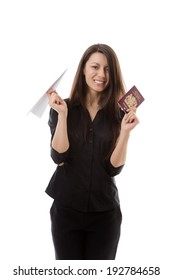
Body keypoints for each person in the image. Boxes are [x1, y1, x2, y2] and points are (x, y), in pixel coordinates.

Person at [45, 43, 139, 260]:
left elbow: (113, 169)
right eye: (95, 67)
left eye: (107, 69)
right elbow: (59, 157)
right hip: (66, 210)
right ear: (84, 69)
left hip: (105, 214)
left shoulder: (119, 115)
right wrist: (62, 116)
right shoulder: (63, 108)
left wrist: (125, 132)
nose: (101, 74)